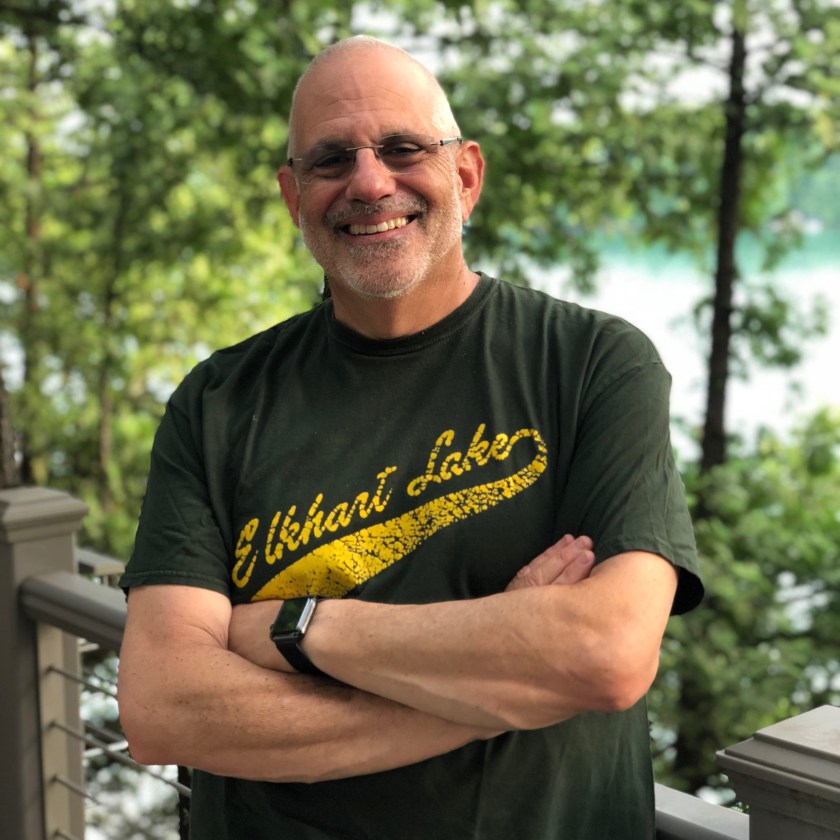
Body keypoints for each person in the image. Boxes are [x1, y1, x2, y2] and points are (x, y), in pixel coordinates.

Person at [118, 35, 703, 840]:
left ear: (466, 175)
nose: (369, 182)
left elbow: (606, 653)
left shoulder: (591, 365)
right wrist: (490, 696)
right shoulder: (218, 401)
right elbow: (164, 707)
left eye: (402, 148)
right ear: (293, 195)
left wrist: (298, 627)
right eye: (332, 159)